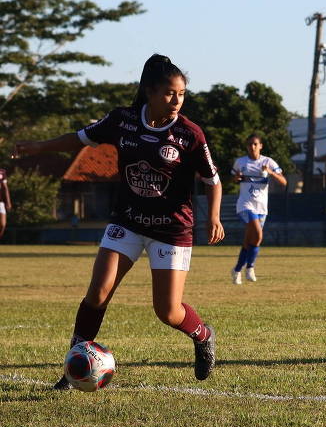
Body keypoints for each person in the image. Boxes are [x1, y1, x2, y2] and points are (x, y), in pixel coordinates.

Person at [13, 54, 225, 389]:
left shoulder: (189, 134)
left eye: (182, 94)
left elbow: (213, 181)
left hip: (171, 230)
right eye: (170, 93)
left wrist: (213, 216)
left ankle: (202, 335)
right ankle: (73, 369)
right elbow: (79, 138)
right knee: (97, 293)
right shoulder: (122, 120)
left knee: (167, 312)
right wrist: (38, 146)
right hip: (127, 222)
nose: (176, 101)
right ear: (150, 92)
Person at [230, 134, 286, 284]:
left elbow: (284, 182)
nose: (252, 147)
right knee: (259, 235)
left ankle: (237, 270)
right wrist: (238, 177)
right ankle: (250, 267)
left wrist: (271, 172)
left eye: (255, 144)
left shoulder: (268, 162)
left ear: (261, 146)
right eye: (249, 144)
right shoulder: (240, 162)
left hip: (261, 207)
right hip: (245, 205)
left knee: (250, 241)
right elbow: (233, 179)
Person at [0, 168, 10, 240]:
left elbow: (5, 188)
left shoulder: (2, 172)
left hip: (0, 202)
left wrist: (8, 202)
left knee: (2, 224)